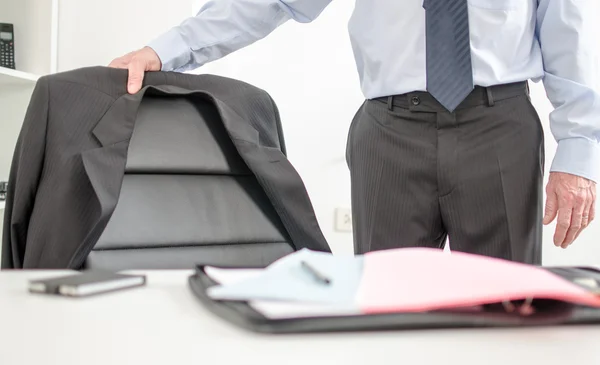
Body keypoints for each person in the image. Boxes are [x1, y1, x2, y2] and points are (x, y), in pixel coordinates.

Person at [110, 0, 598, 264]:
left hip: (499, 130)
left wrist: (578, 150)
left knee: (508, 315)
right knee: (388, 321)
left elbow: (568, 34)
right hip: (389, 135)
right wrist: (166, 50)